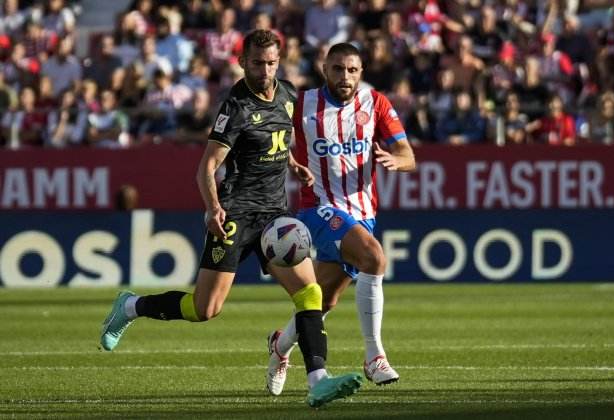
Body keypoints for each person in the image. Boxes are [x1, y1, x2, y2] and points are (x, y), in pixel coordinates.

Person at [99, 29, 362, 409]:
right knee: (205, 310)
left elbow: (278, 138)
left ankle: (318, 380)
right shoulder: (236, 106)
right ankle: (129, 307)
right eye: (257, 63)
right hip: (236, 213)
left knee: (310, 292)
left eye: (271, 62)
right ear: (242, 62)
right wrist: (213, 207)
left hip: (274, 216)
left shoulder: (287, 94)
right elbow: (206, 167)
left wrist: (293, 164)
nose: (265, 70)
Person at [266, 42, 416, 396]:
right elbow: (268, 135)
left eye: (352, 70)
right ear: (325, 69)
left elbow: (408, 154)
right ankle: (374, 355)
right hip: (318, 207)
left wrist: (398, 162)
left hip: (362, 213)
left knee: (320, 300)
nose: (345, 76)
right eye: (337, 69)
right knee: (375, 257)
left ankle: (280, 346)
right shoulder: (302, 104)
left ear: (361, 72)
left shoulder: (376, 103)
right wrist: (289, 161)